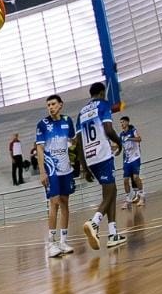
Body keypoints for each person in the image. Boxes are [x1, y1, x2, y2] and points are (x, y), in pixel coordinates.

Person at [73, 83, 126, 250]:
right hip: (103, 155)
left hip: (90, 158)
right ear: (102, 93)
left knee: (111, 191)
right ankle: (94, 222)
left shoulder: (81, 113)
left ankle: (113, 234)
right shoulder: (103, 105)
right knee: (110, 192)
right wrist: (119, 142)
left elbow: (78, 143)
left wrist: (84, 167)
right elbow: (108, 130)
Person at [36, 94, 76, 258]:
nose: (50, 107)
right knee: (54, 202)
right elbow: (39, 148)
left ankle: (63, 241)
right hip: (51, 168)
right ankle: (51, 243)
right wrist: (42, 171)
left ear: (60, 105)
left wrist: (73, 150)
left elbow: (73, 140)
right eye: (48, 105)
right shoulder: (42, 124)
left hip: (66, 168)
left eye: (53, 104)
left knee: (65, 202)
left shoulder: (68, 121)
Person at [118, 115, 144, 206]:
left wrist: (129, 138)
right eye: (120, 122)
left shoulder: (133, 130)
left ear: (127, 122)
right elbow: (119, 146)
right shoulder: (121, 135)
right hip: (127, 160)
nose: (122, 124)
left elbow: (139, 139)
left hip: (135, 158)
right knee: (125, 180)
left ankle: (142, 196)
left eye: (123, 122)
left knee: (136, 177)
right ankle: (128, 199)